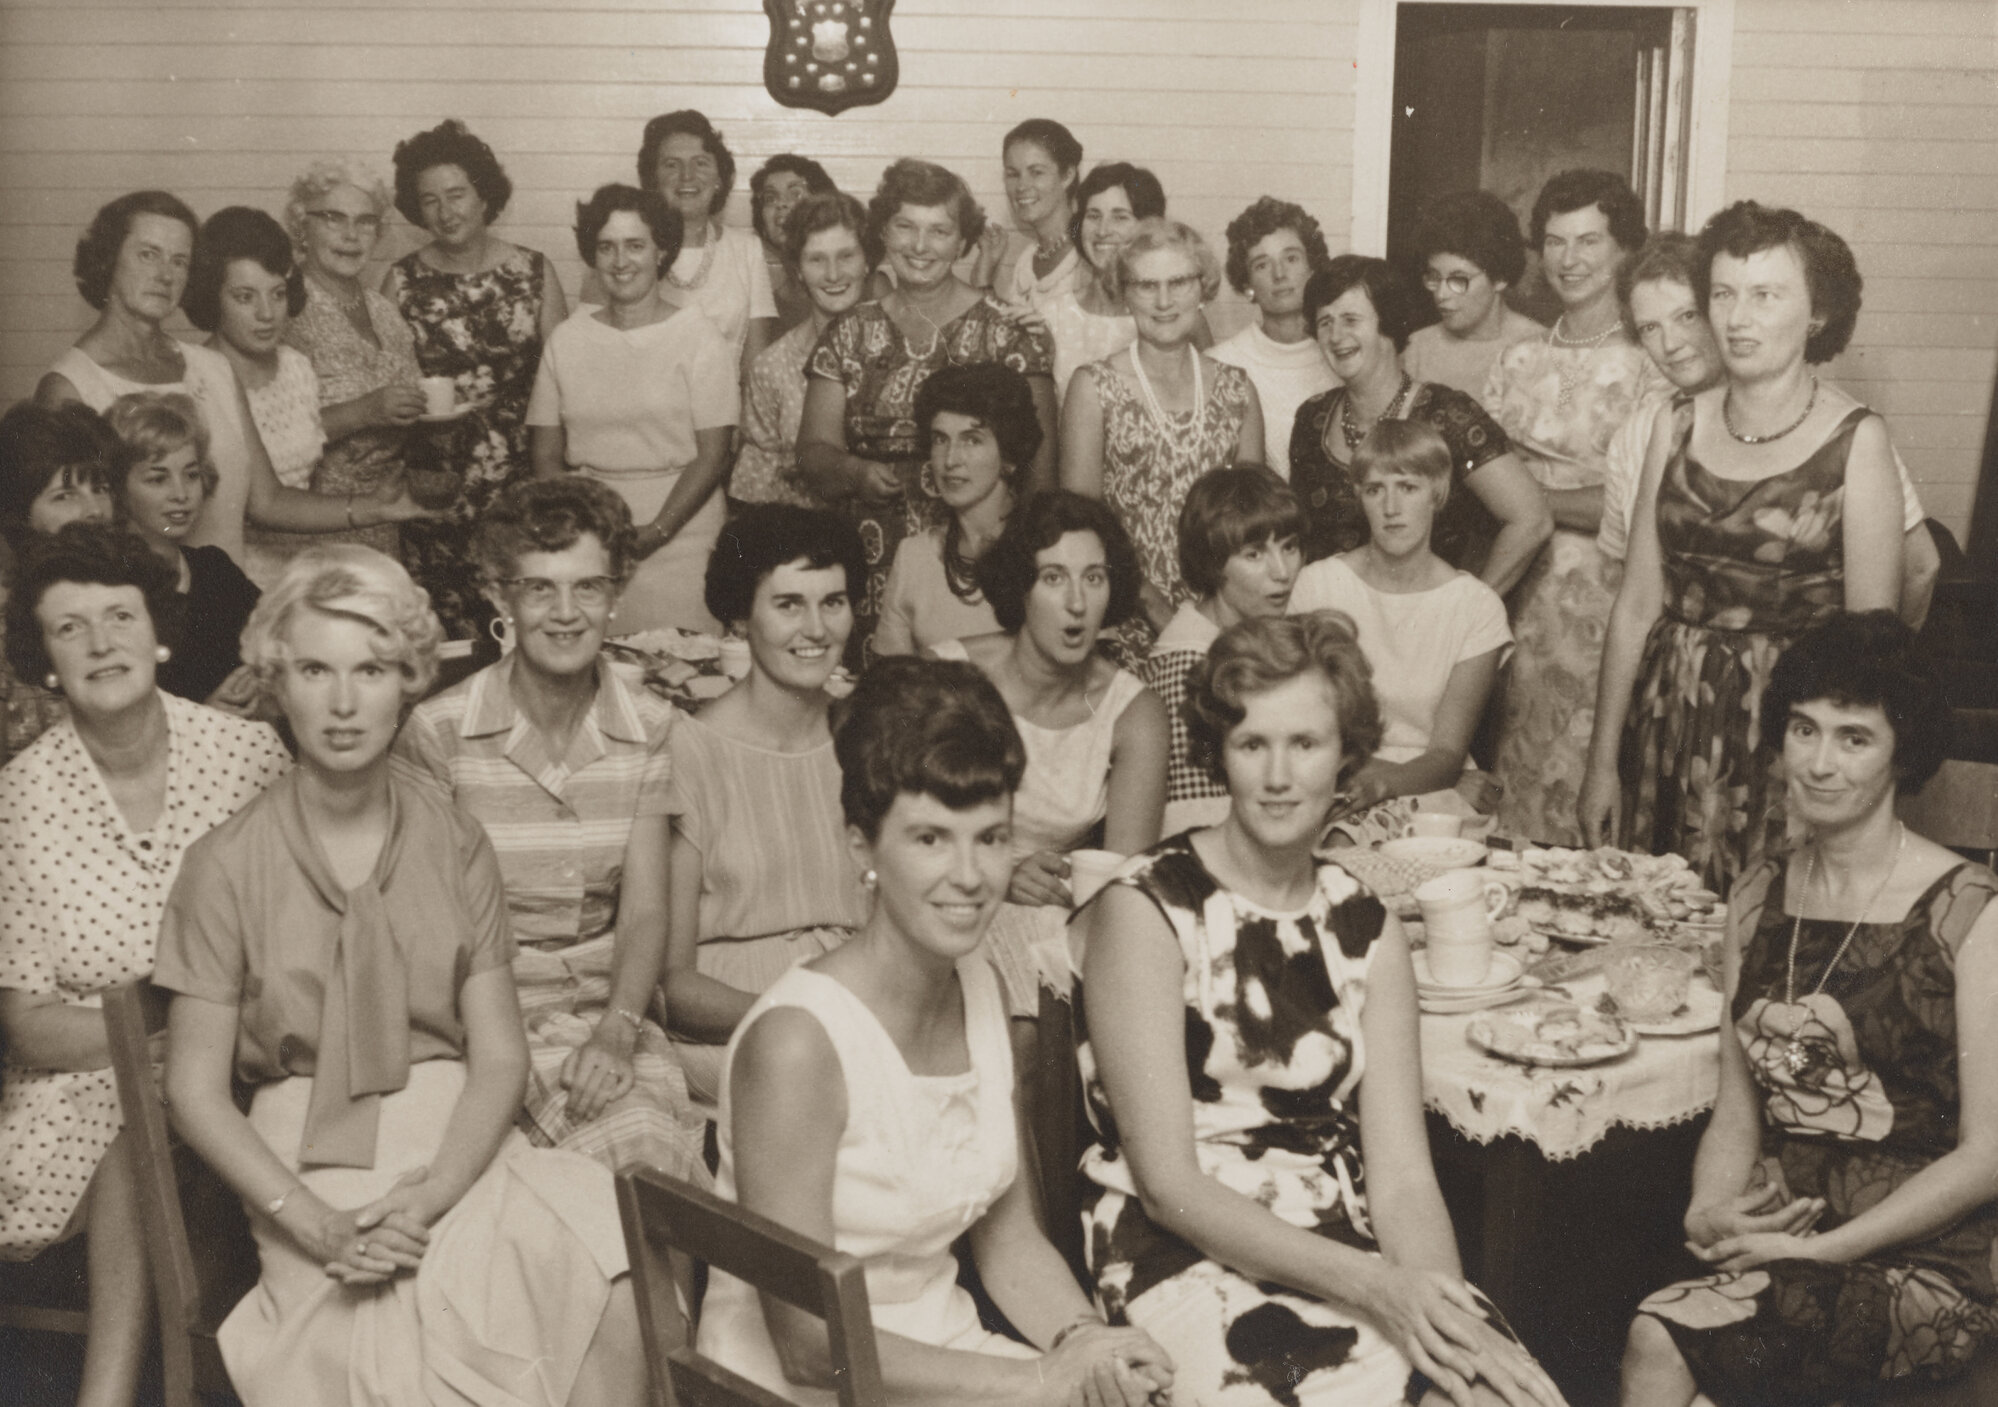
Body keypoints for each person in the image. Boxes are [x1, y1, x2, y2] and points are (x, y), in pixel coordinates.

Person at [155, 544, 644, 1407]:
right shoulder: (223, 864)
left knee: (606, 1247)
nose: (344, 703)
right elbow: (194, 1092)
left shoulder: (455, 840)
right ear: (277, 681)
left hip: (459, 1147)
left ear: (408, 681)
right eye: (316, 669)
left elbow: (500, 1056)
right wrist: (314, 1222)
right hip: (306, 1165)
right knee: (406, 1345)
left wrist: (434, 1194)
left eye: (372, 669)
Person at [1076, 612, 1563, 1407]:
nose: (1278, 775)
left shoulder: (1367, 925)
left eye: (1304, 743)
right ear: (1219, 753)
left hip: (1342, 1242)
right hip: (1178, 1254)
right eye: (1252, 743)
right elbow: (1169, 1185)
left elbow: (1404, 1182)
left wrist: (1443, 1323)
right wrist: (1379, 1290)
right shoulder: (1148, 907)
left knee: (1502, 1397)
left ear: (1345, 755)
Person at [696, 653, 1177, 1407]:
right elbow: (806, 1342)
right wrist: (1038, 1379)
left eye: (991, 838)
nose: (970, 876)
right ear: (863, 847)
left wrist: (1087, 1346)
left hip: (948, 1362)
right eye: (930, 839)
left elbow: (1009, 1243)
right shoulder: (797, 1042)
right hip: (801, 1388)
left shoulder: (981, 986)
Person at [1621, 611, 1998, 1407]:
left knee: (1658, 1338)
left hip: (1928, 1260)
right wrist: (1709, 1208)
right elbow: (1736, 1113)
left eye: (1854, 737)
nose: (1820, 763)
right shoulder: (1756, 893)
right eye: (1803, 729)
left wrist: (1829, 1250)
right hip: (1785, 1240)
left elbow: (1988, 1154)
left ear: (1902, 753)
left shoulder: (1970, 911)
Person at [0, 523, 290, 1407]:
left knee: (166, 1112)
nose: (101, 642)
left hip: (250, 1066)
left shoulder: (248, 758)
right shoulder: (18, 801)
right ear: (47, 662)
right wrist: (163, 1044)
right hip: (73, 1102)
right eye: (70, 627)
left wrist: (203, 1044)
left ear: (158, 631)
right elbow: (28, 1024)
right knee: (142, 1122)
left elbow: (297, 944)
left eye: (119, 616)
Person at [1580, 204, 1906, 892]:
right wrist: (1602, 763)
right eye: (1724, 294)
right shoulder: (1673, 424)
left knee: (1766, 925)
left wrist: (1838, 785)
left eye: (1765, 295)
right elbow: (1636, 606)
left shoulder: (1858, 441)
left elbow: (1870, 649)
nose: (1737, 318)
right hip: (1667, 722)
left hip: (1792, 734)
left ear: (1818, 313)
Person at [394, 477, 706, 1183]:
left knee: (646, 1149)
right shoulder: (440, 731)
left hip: (612, 1012)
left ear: (616, 593)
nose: (566, 614)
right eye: (539, 589)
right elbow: (424, 924)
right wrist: (501, 1046)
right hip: (480, 1021)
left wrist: (617, 1031)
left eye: (588, 587)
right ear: (500, 596)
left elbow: (645, 911)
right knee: (610, 1172)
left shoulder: (649, 725)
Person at [37, 190, 410, 569]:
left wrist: (375, 507)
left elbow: (267, 501)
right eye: (148, 254)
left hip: (225, 595)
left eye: (179, 260)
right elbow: (64, 536)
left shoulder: (211, 367)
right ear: (107, 258)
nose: (165, 275)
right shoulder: (71, 386)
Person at [1594, 233, 1939, 627]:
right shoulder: (1635, 437)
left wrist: (1889, 662)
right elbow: (1630, 589)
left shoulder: (1837, 431)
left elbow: (1920, 566)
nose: (1670, 343)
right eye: (1649, 328)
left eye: (1687, 316)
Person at [797, 158, 1057, 663]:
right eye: (905, 227)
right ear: (882, 234)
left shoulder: (1008, 332)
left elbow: (1042, 478)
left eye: (939, 231)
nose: (920, 246)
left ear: (963, 243)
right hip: (865, 563)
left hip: (979, 566)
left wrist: (1008, 565)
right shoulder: (848, 332)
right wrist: (854, 471)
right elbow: (811, 451)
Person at [929, 491, 1168, 1020]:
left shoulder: (1133, 713)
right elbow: (901, 834)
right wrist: (999, 875)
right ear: (1021, 586)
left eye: (1094, 578)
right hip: (944, 904)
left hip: (1057, 924)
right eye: (1054, 578)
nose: (1077, 603)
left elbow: (1123, 886)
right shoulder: (950, 679)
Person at [661, 505, 871, 1105]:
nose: (816, 629)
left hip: (861, 1001)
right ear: (740, 618)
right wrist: (799, 1014)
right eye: (788, 605)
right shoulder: (689, 751)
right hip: (736, 1023)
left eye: (833, 602)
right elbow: (671, 984)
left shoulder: (870, 735)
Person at [1482, 169, 1666, 846]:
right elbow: (1479, 490)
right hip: (1520, 601)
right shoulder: (1517, 359)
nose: (1570, 259)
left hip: (1610, 604)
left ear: (1625, 249)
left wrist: (1527, 498)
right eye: (1556, 242)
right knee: (1515, 788)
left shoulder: (1652, 363)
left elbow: (1639, 507)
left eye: (1589, 241)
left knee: (1596, 788)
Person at [384, 119, 569, 640]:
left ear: (484, 196)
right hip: (436, 499)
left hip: (522, 495)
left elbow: (566, 390)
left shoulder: (534, 273)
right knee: (449, 645)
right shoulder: (400, 282)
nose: (446, 212)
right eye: (430, 200)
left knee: (528, 631)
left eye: (457, 194)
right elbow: (386, 393)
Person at [528, 183, 736, 634]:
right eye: (607, 247)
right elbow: (545, 453)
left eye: (635, 245)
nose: (620, 261)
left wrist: (657, 531)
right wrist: (580, 530)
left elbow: (715, 454)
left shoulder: (699, 336)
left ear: (661, 250)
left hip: (684, 540)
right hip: (591, 543)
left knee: (684, 665)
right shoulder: (567, 339)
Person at [1289, 420, 1511, 835]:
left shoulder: (1476, 607)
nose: (1391, 507)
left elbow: (1446, 754)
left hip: (1431, 787)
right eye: (1375, 489)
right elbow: (1298, 724)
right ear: (1360, 496)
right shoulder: (1318, 586)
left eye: (1408, 487)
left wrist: (1384, 784)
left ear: (1437, 493)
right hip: (1334, 775)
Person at [1289, 256, 1551, 595]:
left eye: (1351, 320)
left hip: (1425, 618)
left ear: (1387, 322)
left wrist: (1471, 607)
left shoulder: (1448, 415)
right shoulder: (1313, 418)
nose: (1336, 336)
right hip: (1331, 618)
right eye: (1325, 322)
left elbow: (1532, 519)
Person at [1061, 218, 1263, 629]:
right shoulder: (1093, 387)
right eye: (1146, 286)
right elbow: (1082, 525)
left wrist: (1214, 624)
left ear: (1203, 288)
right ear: (1124, 294)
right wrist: (1158, 611)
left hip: (1225, 615)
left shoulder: (1238, 389)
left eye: (1179, 282)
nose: (1164, 301)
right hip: (1126, 611)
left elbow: (1254, 525)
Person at [1141, 464, 1303, 835]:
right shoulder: (1188, 669)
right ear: (1212, 563)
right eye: (1254, 554)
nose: (1282, 572)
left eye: (1290, 547)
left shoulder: (1240, 645)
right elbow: (1197, 827)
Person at [282, 157, 427, 564]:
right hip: (310, 527)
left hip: (385, 521)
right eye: (334, 218)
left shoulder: (384, 310)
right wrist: (364, 411)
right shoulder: (282, 307)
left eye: (365, 222)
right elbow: (267, 435)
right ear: (302, 226)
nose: (351, 235)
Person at [186, 205, 325, 585]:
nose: (267, 314)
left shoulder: (297, 367)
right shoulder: (195, 380)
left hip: (301, 572)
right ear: (213, 297)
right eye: (245, 297)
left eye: (277, 294)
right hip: (229, 579)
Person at [586, 110, 775, 380]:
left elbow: (756, 365)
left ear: (719, 178)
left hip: (725, 402)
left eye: (701, 163)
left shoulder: (748, 249)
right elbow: (593, 347)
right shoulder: (619, 250)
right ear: (653, 179)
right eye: (671, 165)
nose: (687, 176)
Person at [103, 392, 261, 705]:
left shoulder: (214, 570)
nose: (181, 494)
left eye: (191, 475)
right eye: (157, 479)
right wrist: (206, 717)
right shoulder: (109, 588)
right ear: (118, 489)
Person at [873, 363, 1033, 656]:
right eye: (940, 439)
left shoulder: (1049, 549)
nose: (950, 460)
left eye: (972, 440)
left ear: (1009, 456)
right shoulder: (914, 557)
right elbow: (890, 680)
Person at [731, 190, 873, 509]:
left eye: (846, 256)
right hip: (807, 532)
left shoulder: (904, 344)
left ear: (867, 262)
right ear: (797, 269)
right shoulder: (771, 367)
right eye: (816, 259)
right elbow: (756, 492)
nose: (833, 274)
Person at [0, 402, 119, 763]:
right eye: (65, 496)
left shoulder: (127, 596)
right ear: (19, 514)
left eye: (100, 488)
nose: (95, 510)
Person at [1211, 197, 1338, 480]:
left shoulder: (1342, 353)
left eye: (1291, 258)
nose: (1279, 274)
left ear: (1312, 267)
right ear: (1247, 284)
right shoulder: (1221, 363)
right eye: (1261, 265)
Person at [1036, 162, 1162, 405]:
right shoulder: (1052, 316)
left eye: (1120, 217)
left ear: (1149, 228)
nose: (1103, 231)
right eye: (1093, 216)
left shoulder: (1170, 314)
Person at [1401, 191, 1545, 399]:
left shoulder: (1540, 347)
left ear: (1500, 278)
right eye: (1435, 277)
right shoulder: (1417, 349)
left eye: (1459, 280)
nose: (1441, 294)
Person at [994, 118, 1085, 313]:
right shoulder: (1027, 261)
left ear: (1067, 175)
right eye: (1013, 174)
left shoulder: (1087, 252)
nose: (1021, 186)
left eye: (1036, 172)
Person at [748, 153, 836, 331]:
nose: (781, 204)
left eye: (796, 194)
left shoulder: (867, 287)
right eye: (770, 198)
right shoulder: (764, 304)